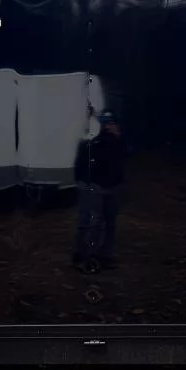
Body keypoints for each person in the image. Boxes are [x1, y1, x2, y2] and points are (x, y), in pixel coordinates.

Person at [73, 111, 126, 272]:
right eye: (106, 123)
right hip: (93, 185)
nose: (110, 126)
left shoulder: (118, 139)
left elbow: (126, 153)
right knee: (92, 222)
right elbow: (85, 158)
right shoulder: (90, 137)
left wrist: (118, 138)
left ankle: (105, 255)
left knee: (109, 223)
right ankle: (86, 256)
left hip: (112, 185)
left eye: (112, 123)